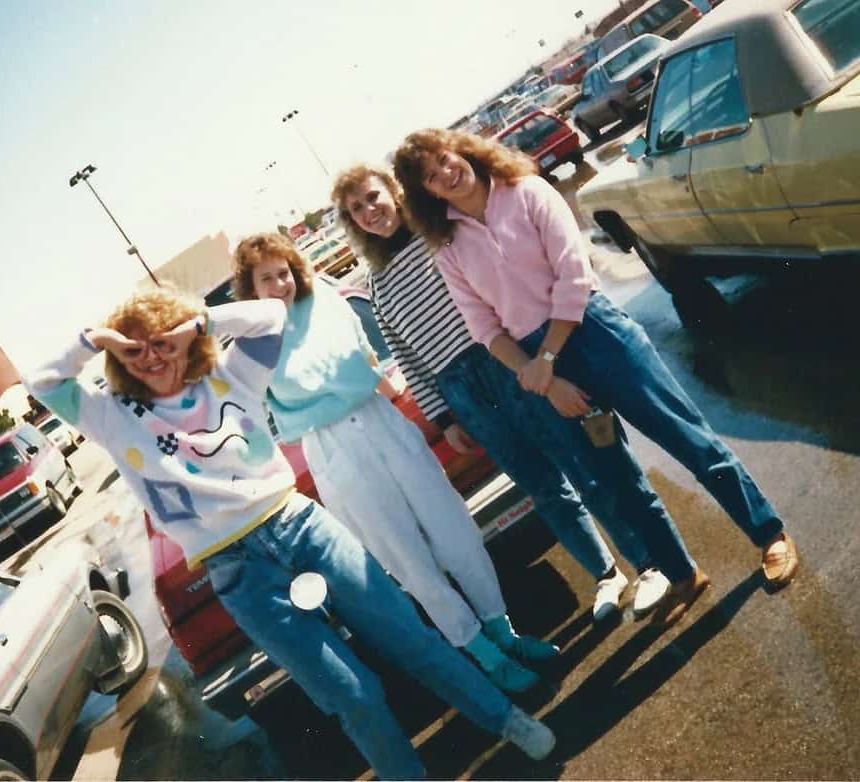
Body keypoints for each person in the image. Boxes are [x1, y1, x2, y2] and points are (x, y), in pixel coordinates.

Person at [23, 287, 556, 777]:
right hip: (239, 571)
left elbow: (270, 317)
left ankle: (506, 721)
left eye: (163, 343)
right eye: (135, 352)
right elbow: (40, 381)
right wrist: (97, 339)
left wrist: (197, 320)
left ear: (186, 341)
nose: (153, 357)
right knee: (354, 696)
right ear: (118, 363)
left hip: (300, 525)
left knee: (412, 640)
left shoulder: (230, 377)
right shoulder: (110, 414)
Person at [392, 129, 799, 621]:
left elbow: (574, 276)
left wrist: (544, 362)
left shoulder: (528, 191)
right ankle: (681, 573)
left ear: (462, 150)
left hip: (596, 333)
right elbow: (483, 326)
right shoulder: (448, 246)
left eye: (444, 160)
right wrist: (539, 374)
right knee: (614, 476)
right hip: (538, 363)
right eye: (431, 177)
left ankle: (769, 535)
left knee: (686, 438)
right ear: (426, 193)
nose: (445, 175)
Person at [331, 164, 710, 625]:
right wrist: (446, 420)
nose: (369, 211)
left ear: (393, 192)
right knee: (543, 488)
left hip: (508, 361)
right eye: (356, 209)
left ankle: (648, 565)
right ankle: (605, 574)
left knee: (585, 464)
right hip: (463, 391)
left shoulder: (441, 237)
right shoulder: (376, 285)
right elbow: (406, 356)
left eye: (372, 197)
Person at [231, 233, 557, 692]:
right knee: (408, 559)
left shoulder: (323, 296)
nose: (280, 283)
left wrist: (383, 386)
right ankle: (483, 656)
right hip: (333, 446)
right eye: (266, 278)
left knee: (455, 531)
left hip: (381, 419)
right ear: (250, 288)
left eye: (283, 271)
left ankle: (504, 632)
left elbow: (364, 351)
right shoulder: (251, 339)